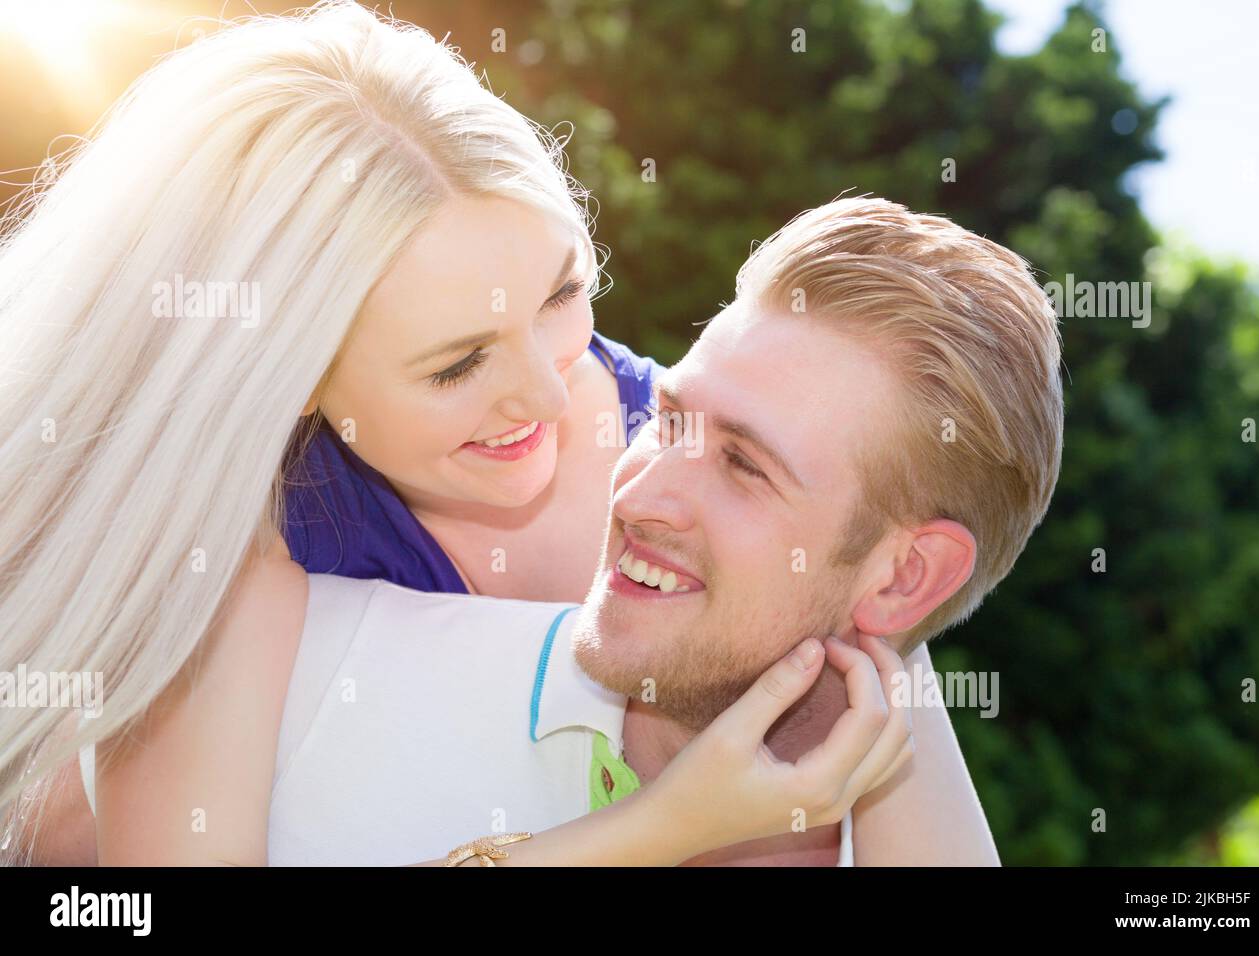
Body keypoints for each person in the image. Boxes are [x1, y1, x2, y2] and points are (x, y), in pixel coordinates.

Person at [0, 2, 934, 867]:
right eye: (456, 366)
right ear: (290, 380)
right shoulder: (228, 551)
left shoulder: (740, 481)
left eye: (563, 296)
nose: (545, 395)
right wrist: (661, 829)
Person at [78, 197, 1064, 865]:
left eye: (744, 465)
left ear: (904, 580)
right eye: (669, 417)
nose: (638, 490)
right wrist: (651, 831)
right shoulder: (305, 649)